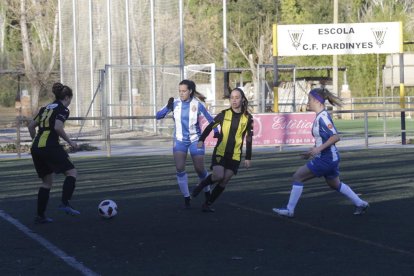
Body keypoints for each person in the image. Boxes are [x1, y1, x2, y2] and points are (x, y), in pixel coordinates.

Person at [272, 87, 369, 218]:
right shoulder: (320, 117)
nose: (308, 102)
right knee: (334, 184)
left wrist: (318, 149)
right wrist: (312, 151)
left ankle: (289, 210)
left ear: (318, 102)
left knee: (297, 177)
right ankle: (360, 203)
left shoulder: (323, 118)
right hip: (329, 158)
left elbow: (335, 137)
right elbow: (322, 139)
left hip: (326, 159)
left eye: (310, 99)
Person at [156, 79, 217, 209]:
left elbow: (211, 119)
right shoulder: (174, 103)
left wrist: (217, 132)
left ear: (190, 91)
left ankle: (207, 191)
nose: (181, 93)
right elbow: (158, 116)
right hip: (179, 140)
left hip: (195, 140)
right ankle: (186, 197)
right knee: (179, 168)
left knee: (199, 169)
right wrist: (168, 107)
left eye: (184, 91)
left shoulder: (197, 104)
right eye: (180, 91)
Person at [191, 87, 253, 212]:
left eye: (237, 98)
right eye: (232, 98)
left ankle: (207, 204)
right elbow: (209, 127)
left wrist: (248, 157)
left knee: (224, 180)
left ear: (242, 100)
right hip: (220, 152)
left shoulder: (248, 118)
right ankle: (201, 186)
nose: (234, 100)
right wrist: (201, 139)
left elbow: (249, 138)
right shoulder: (224, 114)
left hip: (235, 155)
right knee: (218, 176)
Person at [28, 82, 80, 224]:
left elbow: (31, 126)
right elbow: (57, 127)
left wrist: (36, 142)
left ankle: (40, 216)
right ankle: (65, 203)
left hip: (36, 148)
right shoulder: (63, 109)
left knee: (47, 182)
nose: (70, 103)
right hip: (50, 146)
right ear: (67, 97)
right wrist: (71, 143)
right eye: (70, 100)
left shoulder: (45, 108)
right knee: (71, 173)